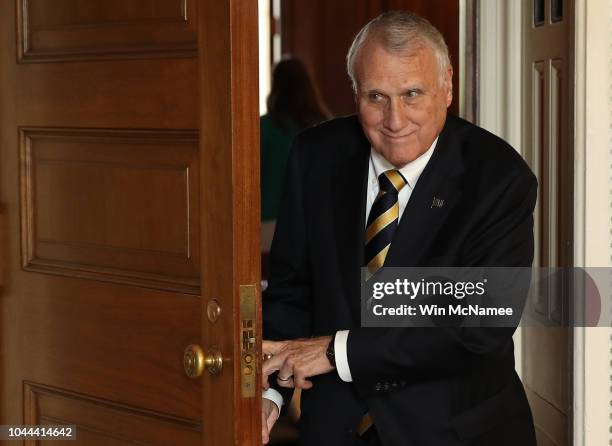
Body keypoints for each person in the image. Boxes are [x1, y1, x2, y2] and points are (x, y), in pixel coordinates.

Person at [261, 11, 537, 446]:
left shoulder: (499, 178)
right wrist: (270, 391)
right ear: (355, 92)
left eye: (412, 94)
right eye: (376, 96)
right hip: (335, 430)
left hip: (456, 432)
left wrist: (336, 352)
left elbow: (477, 327)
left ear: (446, 85)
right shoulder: (314, 156)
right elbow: (291, 288)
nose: (395, 119)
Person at [261, 58, 330, 223]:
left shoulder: (263, 128)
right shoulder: (326, 127)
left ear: (275, 85)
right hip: (316, 221)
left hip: (269, 223)